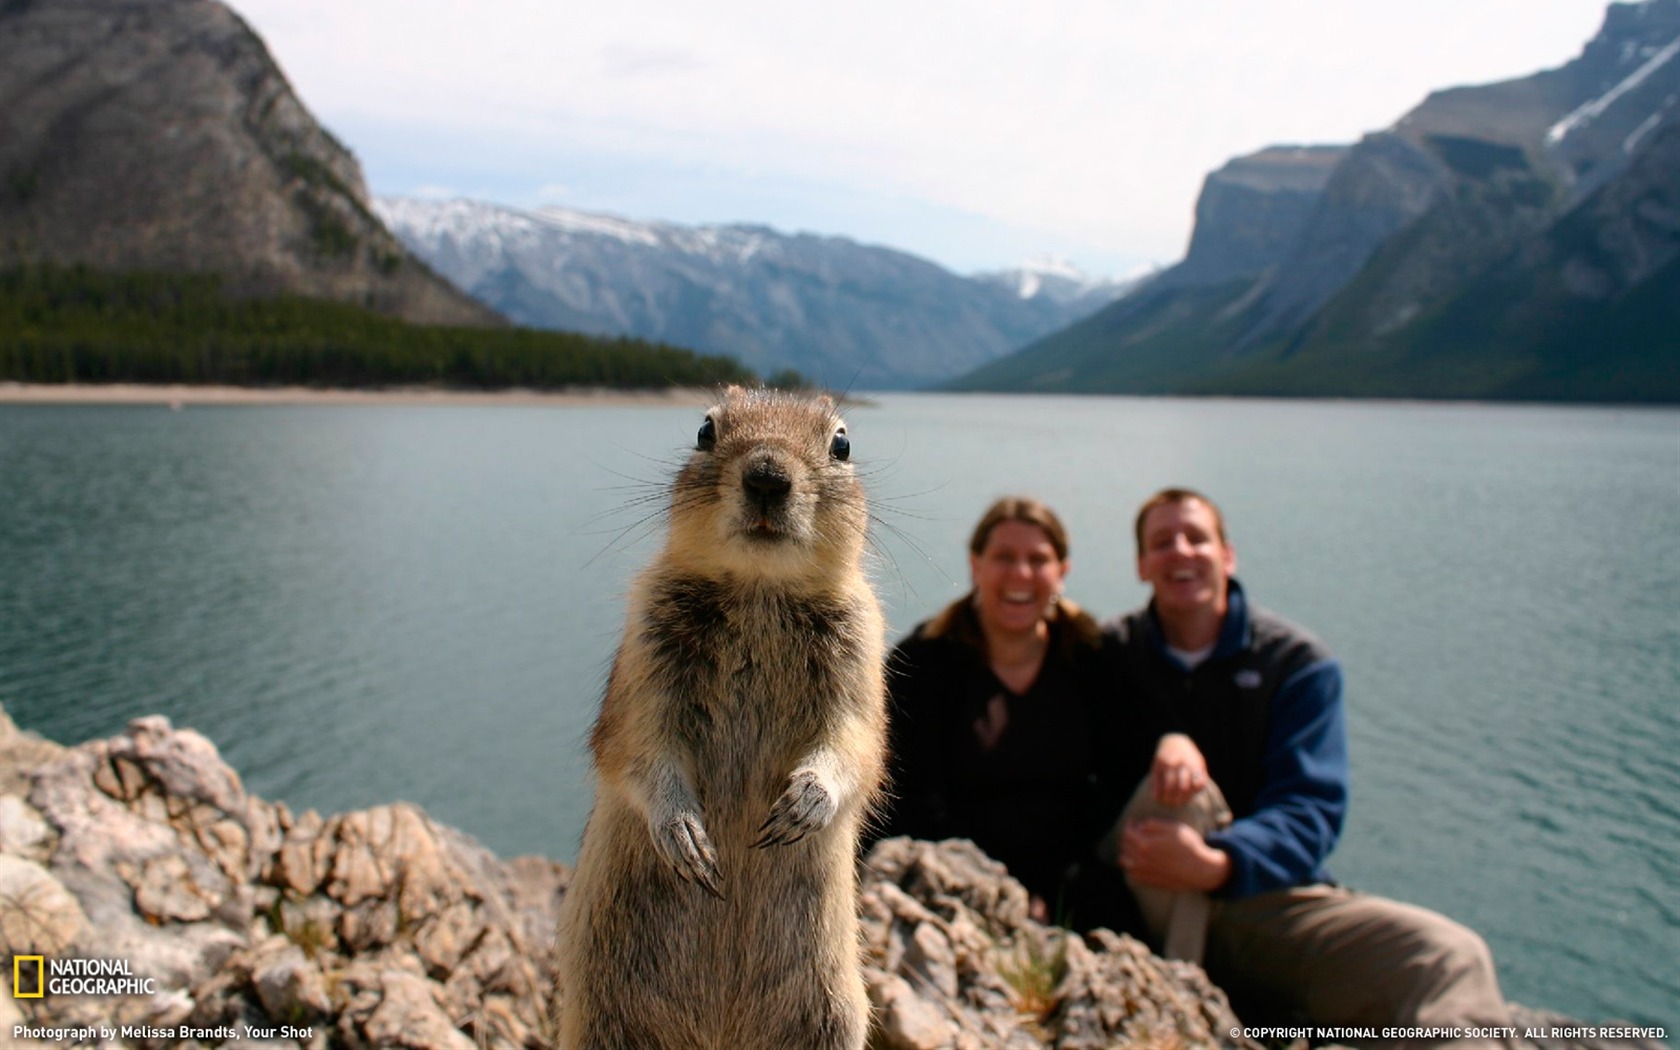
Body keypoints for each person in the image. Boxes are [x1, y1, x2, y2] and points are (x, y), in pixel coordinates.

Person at [1105, 487, 1516, 1046]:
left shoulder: (1296, 665)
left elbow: (1311, 810)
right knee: (1180, 796)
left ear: (1227, 555)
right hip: (1136, 892)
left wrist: (1218, 863)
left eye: (1196, 537)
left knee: (1447, 955)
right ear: (1141, 565)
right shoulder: (1109, 653)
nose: (1181, 551)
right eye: (1162, 542)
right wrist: (1170, 742)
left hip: (1255, 902)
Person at [872, 496, 1148, 933]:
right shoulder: (923, 663)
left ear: (1062, 572)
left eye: (1038, 559)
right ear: (975, 565)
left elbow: (1124, 773)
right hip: (949, 870)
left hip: (1068, 872)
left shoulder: (1093, 658)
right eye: (1003, 557)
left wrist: (1055, 880)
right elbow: (907, 795)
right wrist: (998, 888)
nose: (1020, 574)